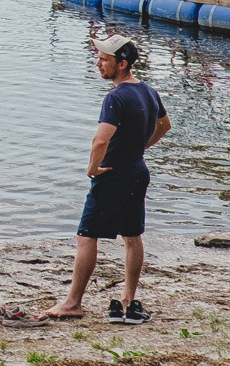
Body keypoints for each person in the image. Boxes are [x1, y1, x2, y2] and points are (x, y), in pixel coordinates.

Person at [44, 34, 170, 325]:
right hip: (137, 171)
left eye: (104, 60)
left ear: (122, 64)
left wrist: (93, 167)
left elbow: (100, 140)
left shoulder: (116, 97)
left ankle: (73, 302)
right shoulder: (147, 90)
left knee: (86, 236)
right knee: (132, 236)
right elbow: (164, 126)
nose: (98, 63)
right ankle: (128, 298)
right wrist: (140, 147)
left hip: (113, 175)